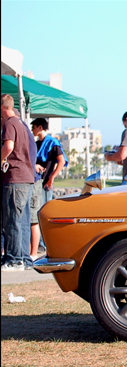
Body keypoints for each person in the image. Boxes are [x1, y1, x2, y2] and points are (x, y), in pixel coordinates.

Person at [1, 94, 35, 271]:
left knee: (12, 220)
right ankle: (23, 258)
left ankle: (14, 260)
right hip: (26, 177)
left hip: (15, 178)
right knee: (22, 220)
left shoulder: (9, 124)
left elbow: (8, 147)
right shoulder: (21, 124)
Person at [31, 118, 67, 257]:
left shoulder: (52, 142)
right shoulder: (35, 143)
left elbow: (62, 161)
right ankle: (39, 244)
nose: (33, 130)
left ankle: (45, 244)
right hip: (36, 182)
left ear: (40, 127)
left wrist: (52, 177)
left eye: (34, 127)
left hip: (45, 183)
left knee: (43, 213)